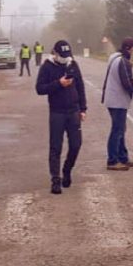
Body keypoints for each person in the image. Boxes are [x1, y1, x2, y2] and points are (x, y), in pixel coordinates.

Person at [35, 40, 86, 194]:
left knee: (76, 145)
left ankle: (67, 170)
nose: (65, 58)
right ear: (55, 53)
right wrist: (58, 83)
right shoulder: (47, 66)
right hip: (57, 112)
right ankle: (55, 180)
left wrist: (83, 109)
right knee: (55, 147)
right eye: (62, 55)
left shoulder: (73, 64)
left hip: (73, 111)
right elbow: (40, 89)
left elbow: (80, 87)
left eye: (67, 55)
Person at [102, 38, 133, 171]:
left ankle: (123, 157)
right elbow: (127, 82)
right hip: (117, 100)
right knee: (117, 130)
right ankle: (112, 161)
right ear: (128, 48)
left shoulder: (115, 58)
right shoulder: (123, 62)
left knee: (120, 129)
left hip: (113, 99)